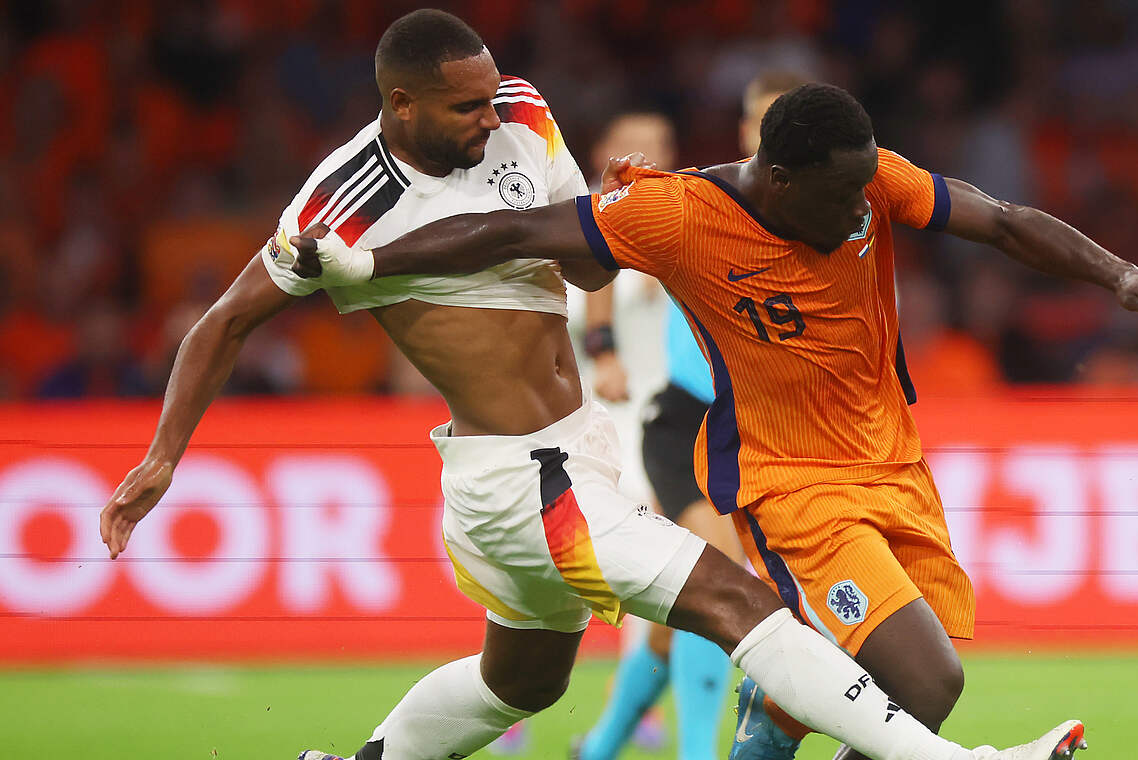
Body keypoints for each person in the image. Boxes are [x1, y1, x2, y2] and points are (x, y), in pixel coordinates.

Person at [97, 11, 1084, 760]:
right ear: (400, 106)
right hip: (522, 480)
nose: (492, 114)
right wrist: (160, 458)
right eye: (464, 107)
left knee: (516, 685)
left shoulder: (522, 112)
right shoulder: (339, 204)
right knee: (738, 603)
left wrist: (614, 210)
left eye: (491, 95)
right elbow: (223, 321)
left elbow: (588, 269)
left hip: (579, 448)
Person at [292, 83, 1138, 760]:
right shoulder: (679, 214)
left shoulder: (872, 179)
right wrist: (368, 268)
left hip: (893, 465)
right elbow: (514, 235)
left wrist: (1118, 274)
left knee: (914, 693)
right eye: (840, 195)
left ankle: (773, 719)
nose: (862, 209)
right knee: (928, 681)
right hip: (787, 479)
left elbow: (1004, 222)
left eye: (865, 191)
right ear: (776, 175)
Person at [576, 75, 807, 760]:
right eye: (758, 119)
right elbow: (599, 247)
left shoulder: (817, 211)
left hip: (752, 432)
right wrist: (603, 346)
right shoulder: (701, 196)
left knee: (674, 616)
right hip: (670, 424)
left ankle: (600, 747)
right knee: (718, 586)